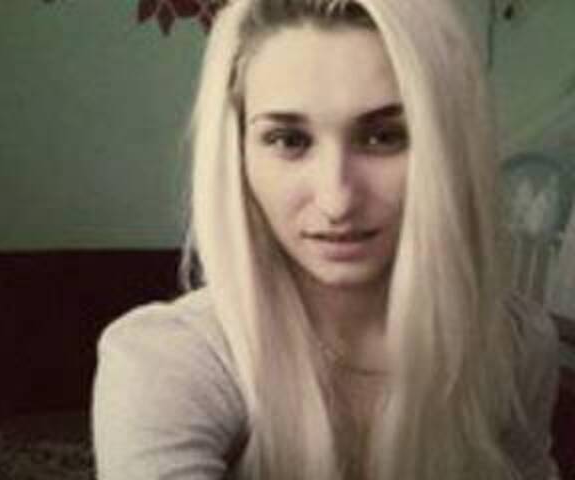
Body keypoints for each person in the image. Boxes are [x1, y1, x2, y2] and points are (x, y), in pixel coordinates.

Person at [92, 0, 562, 478]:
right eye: (288, 140)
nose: (337, 201)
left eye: (384, 137)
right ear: (237, 153)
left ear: (448, 147)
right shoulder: (168, 362)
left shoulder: (516, 347)